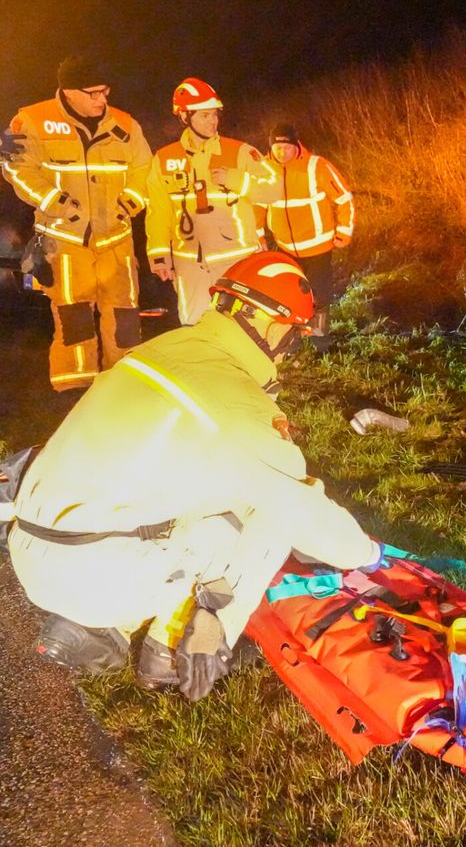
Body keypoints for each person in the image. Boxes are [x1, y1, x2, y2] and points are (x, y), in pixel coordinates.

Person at [5, 251, 386, 701]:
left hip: (33, 552)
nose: (291, 348)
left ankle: (107, 626)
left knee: (196, 492)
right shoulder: (234, 400)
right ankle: (181, 646)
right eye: (294, 336)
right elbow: (300, 509)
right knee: (266, 516)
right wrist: (366, 556)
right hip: (98, 574)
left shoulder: (160, 352)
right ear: (275, 325)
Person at [1, 57, 152, 392]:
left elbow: (145, 169)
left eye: (106, 91)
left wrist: (130, 202)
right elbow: (16, 169)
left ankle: (126, 387)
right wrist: (54, 202)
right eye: (94, 92)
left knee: (125, 318)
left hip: (117, 240)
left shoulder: (126, 125)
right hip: (66, 242)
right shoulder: (33, 120)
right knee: (75, 320)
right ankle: (75, 391)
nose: (102, 99)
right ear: (69, 91)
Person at [146, 78, 281, 325]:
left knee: (243, 327)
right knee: (195, 327)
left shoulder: (240, 152)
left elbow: (275, 189)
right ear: (185, 116)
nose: (213, 121)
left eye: (215, 115)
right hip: (189, 266)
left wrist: (238, 180)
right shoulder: (164, 159)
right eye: (205, 115)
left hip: (236, 261)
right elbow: (158, 211)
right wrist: (158, 254)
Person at [255, 123, 354, 340]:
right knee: (289, 294)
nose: (282, 153)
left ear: (297, 146)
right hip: (284, 248)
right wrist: (258, 236)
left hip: (318, 246)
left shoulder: (317, 166)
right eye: (277, 148)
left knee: (318, 295)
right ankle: (292, 337)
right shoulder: (263, 169)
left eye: (287, 147)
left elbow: (344, 198)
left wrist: (344, 232)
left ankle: (319, 338)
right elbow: (257, 206)